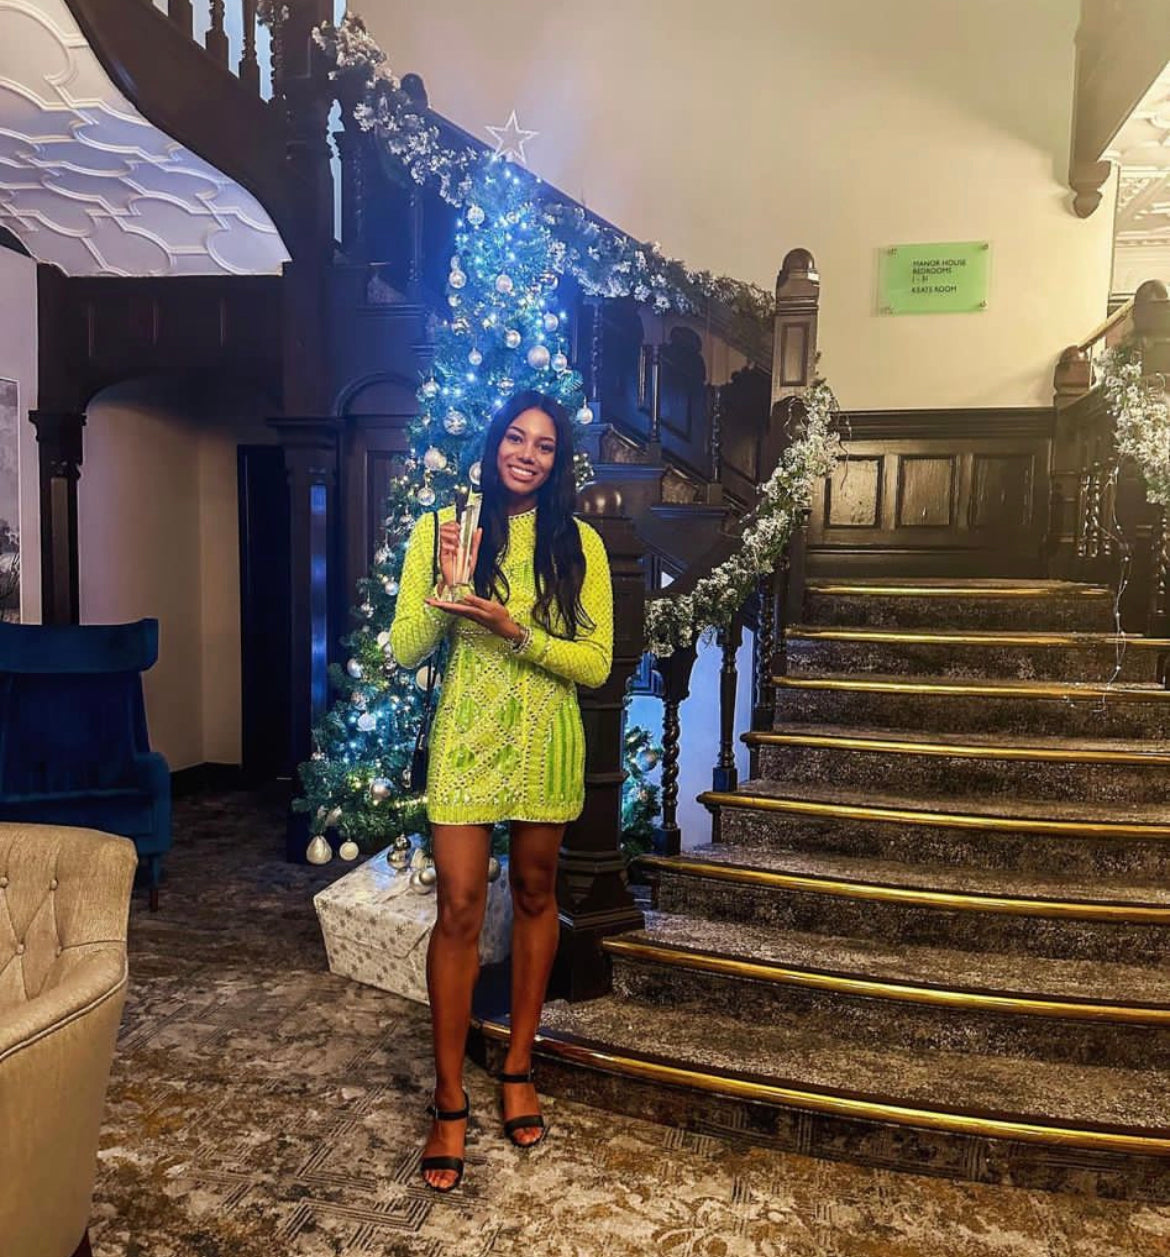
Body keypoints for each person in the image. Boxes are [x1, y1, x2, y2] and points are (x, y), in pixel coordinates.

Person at [390, 390, 614, 1192]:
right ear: (494, 443)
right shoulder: (442, 529)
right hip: (466, 738)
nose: (528, 453)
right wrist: (447, 593)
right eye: (517, 438)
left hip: (546, 741)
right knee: (457, 905)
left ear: (558, 461)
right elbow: (406, 648)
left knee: (534, 893)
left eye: (544, 445)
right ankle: (449, 1098)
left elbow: (596, 663)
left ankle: (519, 1064)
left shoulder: (579, 541)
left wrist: (515, 630)